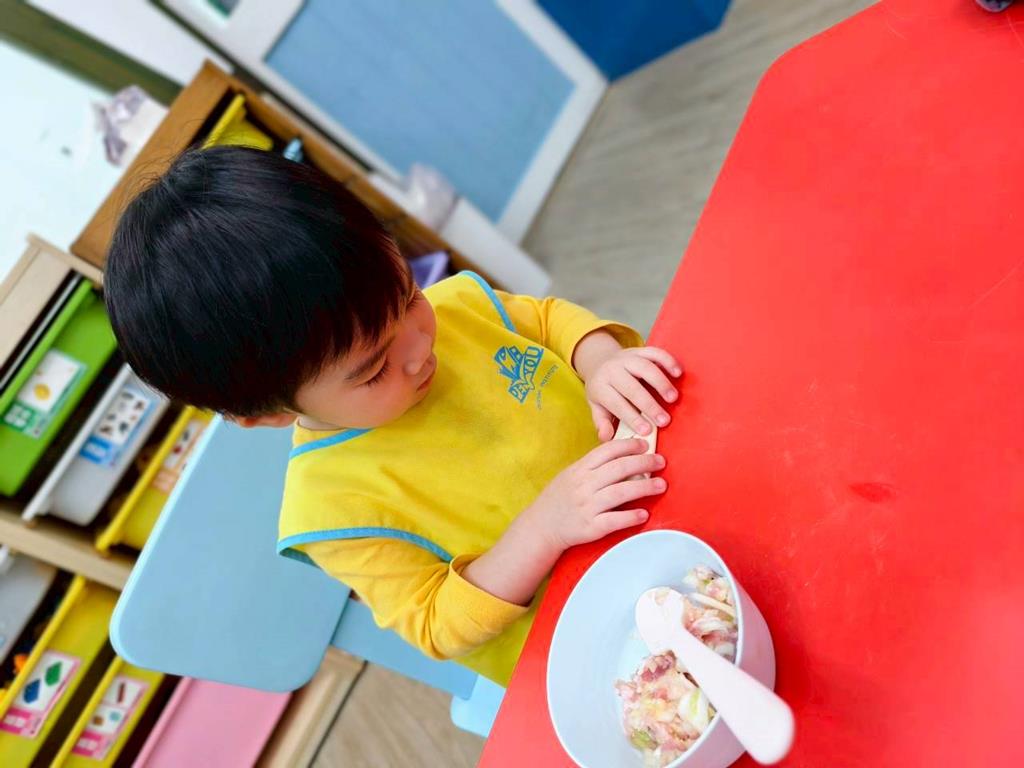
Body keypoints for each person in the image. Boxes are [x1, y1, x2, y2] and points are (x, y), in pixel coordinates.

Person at [104, 146, 681, 686]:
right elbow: (435, 622)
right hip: (604, 648)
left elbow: (548, 322)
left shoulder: (456, 306)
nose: (420, 347)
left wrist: (599, 361)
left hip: (670, 494)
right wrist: (544, 530)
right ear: (269, 415)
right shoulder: (333, 509)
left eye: (408, 296)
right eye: (374, 368)